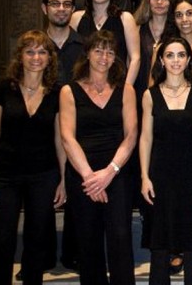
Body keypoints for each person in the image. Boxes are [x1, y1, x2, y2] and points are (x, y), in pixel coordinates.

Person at [0, 30, 66, 285]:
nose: (36, 57)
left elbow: (59, 139)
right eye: (30, 51)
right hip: (6, 174)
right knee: (2, 238)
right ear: (20, 56)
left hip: (44, 174)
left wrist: (62, 178)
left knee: (37, 239)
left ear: (50, 58)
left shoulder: (57, 93)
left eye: (41, 52)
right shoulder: (2, 90)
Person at [59, 30, 138, 285]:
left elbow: (131, 135)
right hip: (83, 176)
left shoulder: (126, 90)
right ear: (87, 54)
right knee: (88, 241)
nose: (104, 56)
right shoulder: (69, 91)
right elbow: (67, 138)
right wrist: (90, 177)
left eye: (110, 51)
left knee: (120, 237)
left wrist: (109, 172)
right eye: (98, 50)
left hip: (117, 173)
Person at [139, 37, 192, 285]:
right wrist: (144, 177)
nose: (176, 60)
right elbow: (145, 138)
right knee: (159, 243)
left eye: (181, 55)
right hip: (160, 175)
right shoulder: (149, 95)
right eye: (170, 55)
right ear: (161, 60)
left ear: (189, 59)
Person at [42, 0, 84, 273]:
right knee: (42, 196)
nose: (60, 9)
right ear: (45, 8)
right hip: (41, 127)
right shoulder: (34, 45)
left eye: (66, 4)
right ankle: (40, 258)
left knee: (76, 192)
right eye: (55, 4)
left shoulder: (83, 45)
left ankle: (73, 254)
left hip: (76, 128)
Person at [71, 0, 141, 86]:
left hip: (117, 86)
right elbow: (72, 56)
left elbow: (135, 58)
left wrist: (126, 90)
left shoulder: (125, 18)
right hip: (84, 87)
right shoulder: (76, 18)